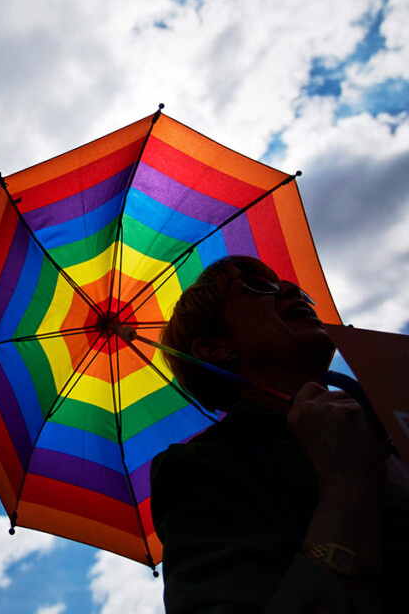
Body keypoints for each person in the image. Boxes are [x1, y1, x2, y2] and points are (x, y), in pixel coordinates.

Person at [150, 255, 409, 613]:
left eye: (293, 288)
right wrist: (346, 488)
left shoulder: (389, 411)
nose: (289, 289)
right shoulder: (206, 469)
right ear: (214, 348)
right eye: (256, 287)